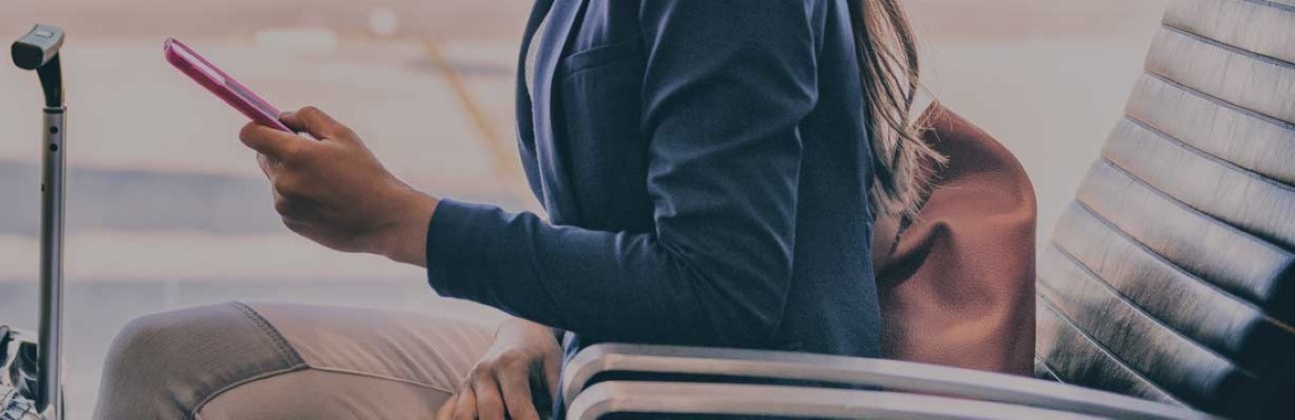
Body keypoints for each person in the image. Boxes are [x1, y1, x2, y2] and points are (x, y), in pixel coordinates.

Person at [96, 0, 942, 418]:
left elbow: (724, 288)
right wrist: (528, 323)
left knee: (171, 370)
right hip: (599, 362)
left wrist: (404, 223)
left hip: (692, 399)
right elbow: (627, 223)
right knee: (165, 353)